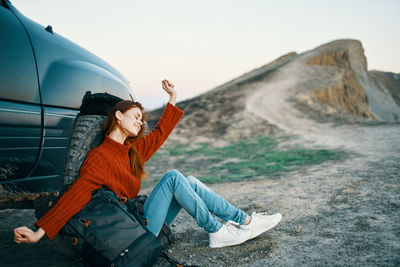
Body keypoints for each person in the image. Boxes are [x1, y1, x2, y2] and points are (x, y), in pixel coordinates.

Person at [14, 79, 282, 249]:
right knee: (175, 177)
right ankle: (217, 230)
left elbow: (160, 133)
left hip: (140, 221)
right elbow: (75, 194)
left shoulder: (132, 151)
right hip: (132, 232)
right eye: (136, 116)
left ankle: (244, 220)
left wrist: (172, 99)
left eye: (142, 118)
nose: (141, 122)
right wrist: (41, 231)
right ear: (117, 115)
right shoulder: (99, 157)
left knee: (188, 182)